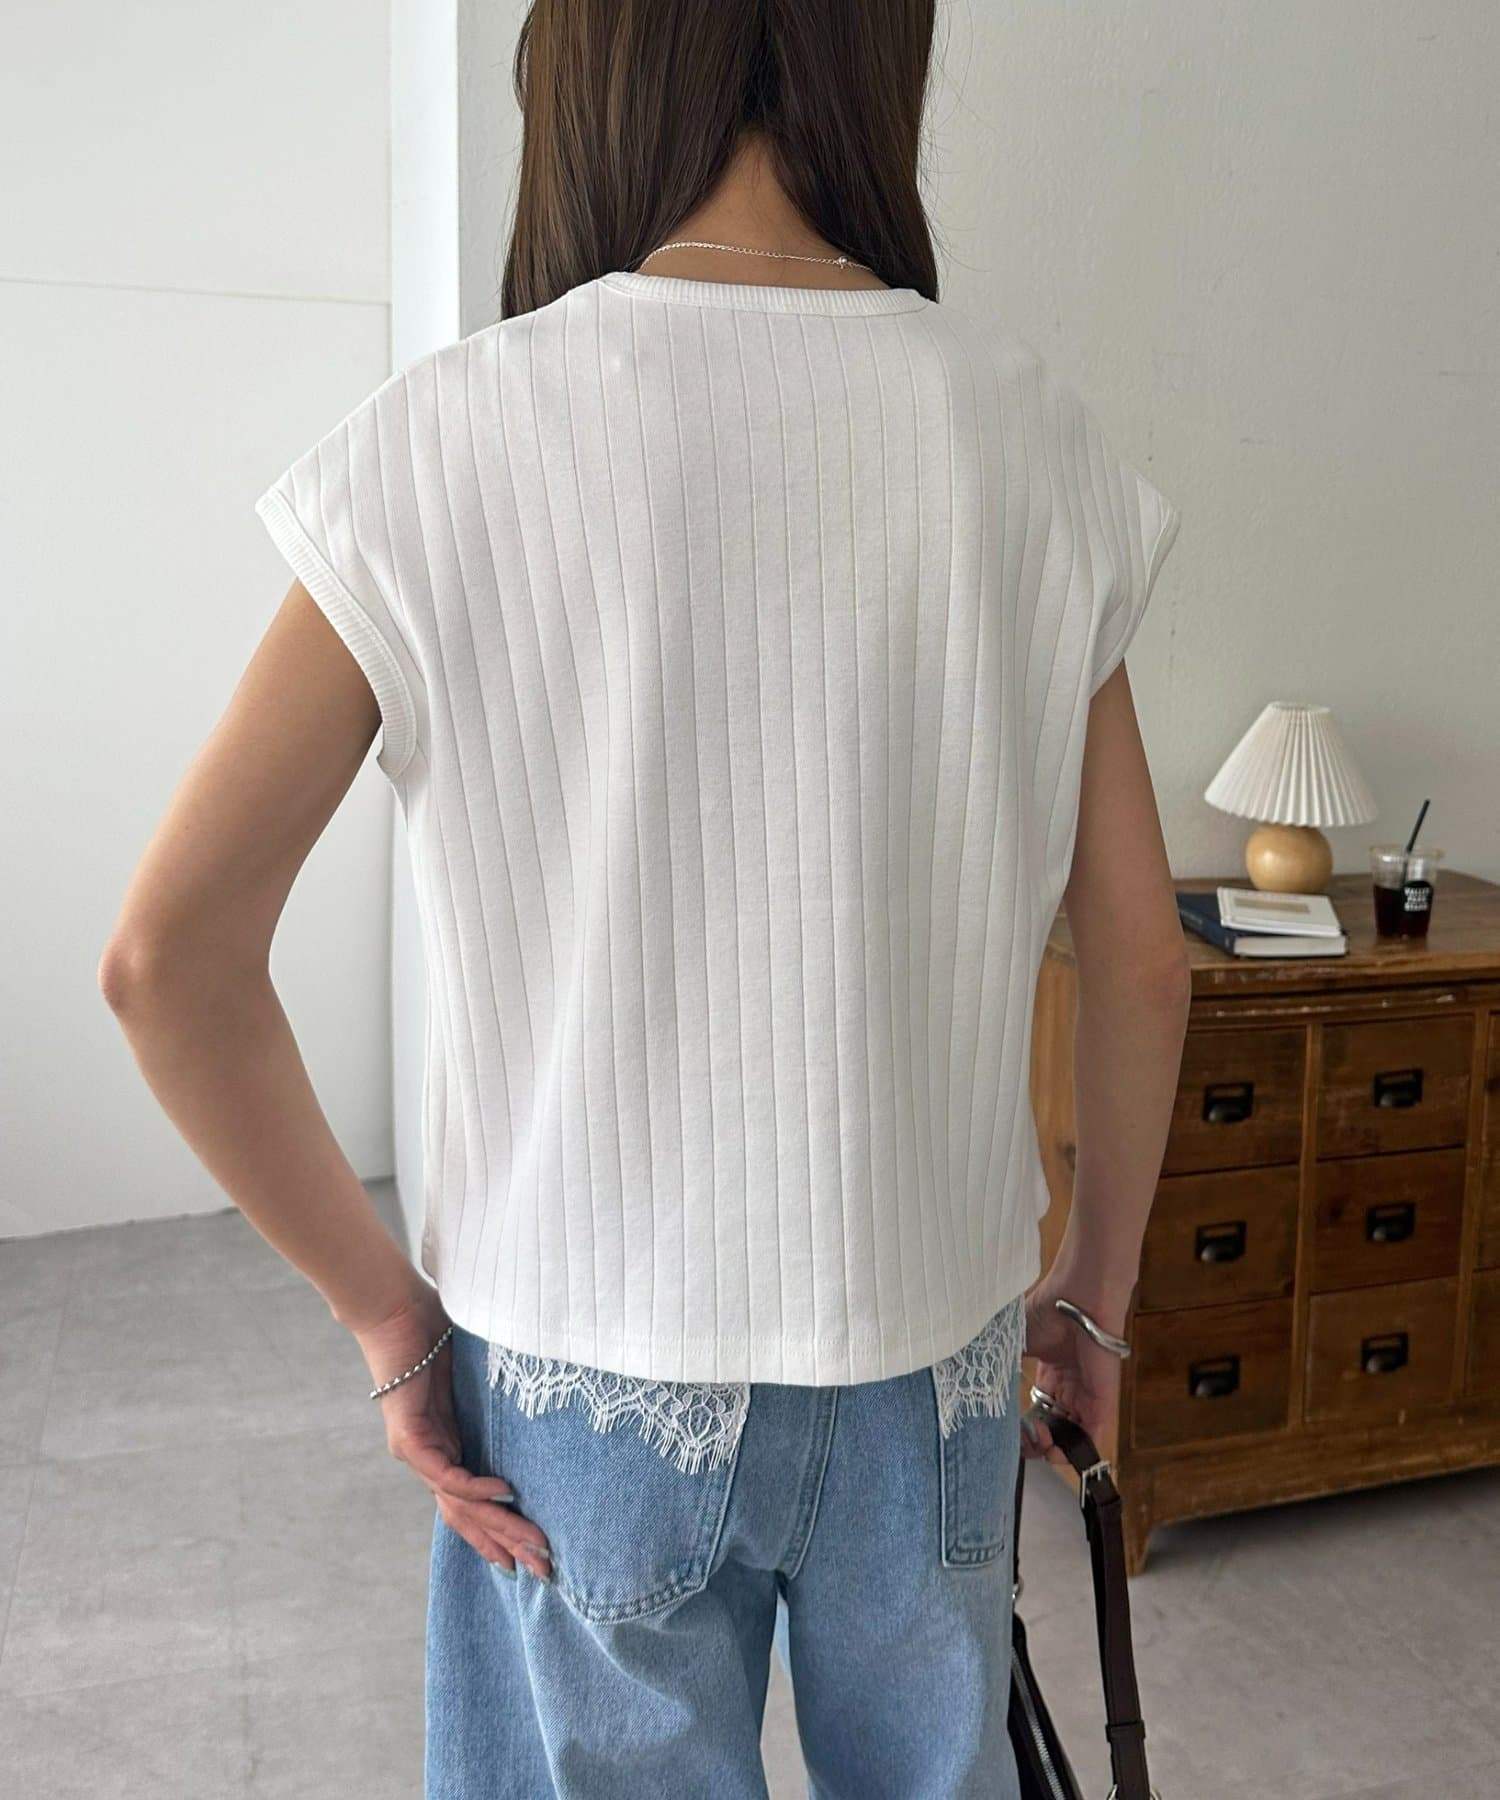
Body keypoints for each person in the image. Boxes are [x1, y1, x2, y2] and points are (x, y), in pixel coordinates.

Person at [100, 2, 1192, 1794]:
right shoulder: (1026, 437)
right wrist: (1093, 1301)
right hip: (929, 1352)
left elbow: (169, 961)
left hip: (581, 1368)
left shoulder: (448, 437)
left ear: (592, 70)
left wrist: (388, 1320)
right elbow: (1143, 961)